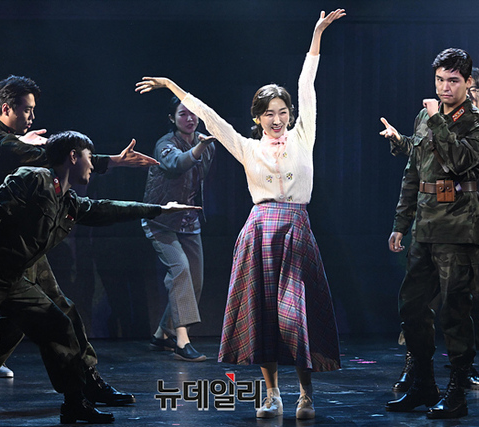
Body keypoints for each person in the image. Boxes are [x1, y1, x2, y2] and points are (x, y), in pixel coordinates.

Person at [136, 9, 344, 420]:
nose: (277, 119)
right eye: (269, 113)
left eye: (282, 112)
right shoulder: (247, 147)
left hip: (295, 230)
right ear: (258, 118)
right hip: (260, 232)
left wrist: (317, 35)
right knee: (264, 316)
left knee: (294, 315)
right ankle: (272, 394)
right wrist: (172, 86)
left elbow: (307, 84)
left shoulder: (303, 135)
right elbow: (210, 116)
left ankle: (305, 394)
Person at [0, 130, 200, 427]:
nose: (91, 165)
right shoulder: (33, 178)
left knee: (60, 325)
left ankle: (75, 404)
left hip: (16, 280)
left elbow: (105, 208)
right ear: (73, 156)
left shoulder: (68, 201)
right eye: (89, 157)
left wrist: (160, 209)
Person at [0, 75, 157, 405]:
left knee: (28, 321)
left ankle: (84, 381)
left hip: (19, 246)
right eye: (26, 110)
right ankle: (84, 384)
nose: (31, 117)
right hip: (4, 249)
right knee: (55, 313)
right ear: (6, 108)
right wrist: (114, 161)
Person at [382, 67, 479, 393]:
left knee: (469, 302)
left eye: (474, 94)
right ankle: (415, 366)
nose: (466, 98)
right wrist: (399, 142)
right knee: (419, 301)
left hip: (468, 226)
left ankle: (464, 369)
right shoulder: (433, 124)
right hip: (431, 222)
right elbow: (416, 165)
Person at [142, 96, 216, 361]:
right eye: (183, 114)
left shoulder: (207, 145)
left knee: (194, 281)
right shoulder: (165, 144)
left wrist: (202, 146)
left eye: (193, 113)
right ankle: (181, 341)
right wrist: (198, 148)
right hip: (161, 220)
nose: (189, 118)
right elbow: (177, 164)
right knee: (180, 270)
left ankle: (161, 334)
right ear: (172, 119)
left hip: (188, 220)